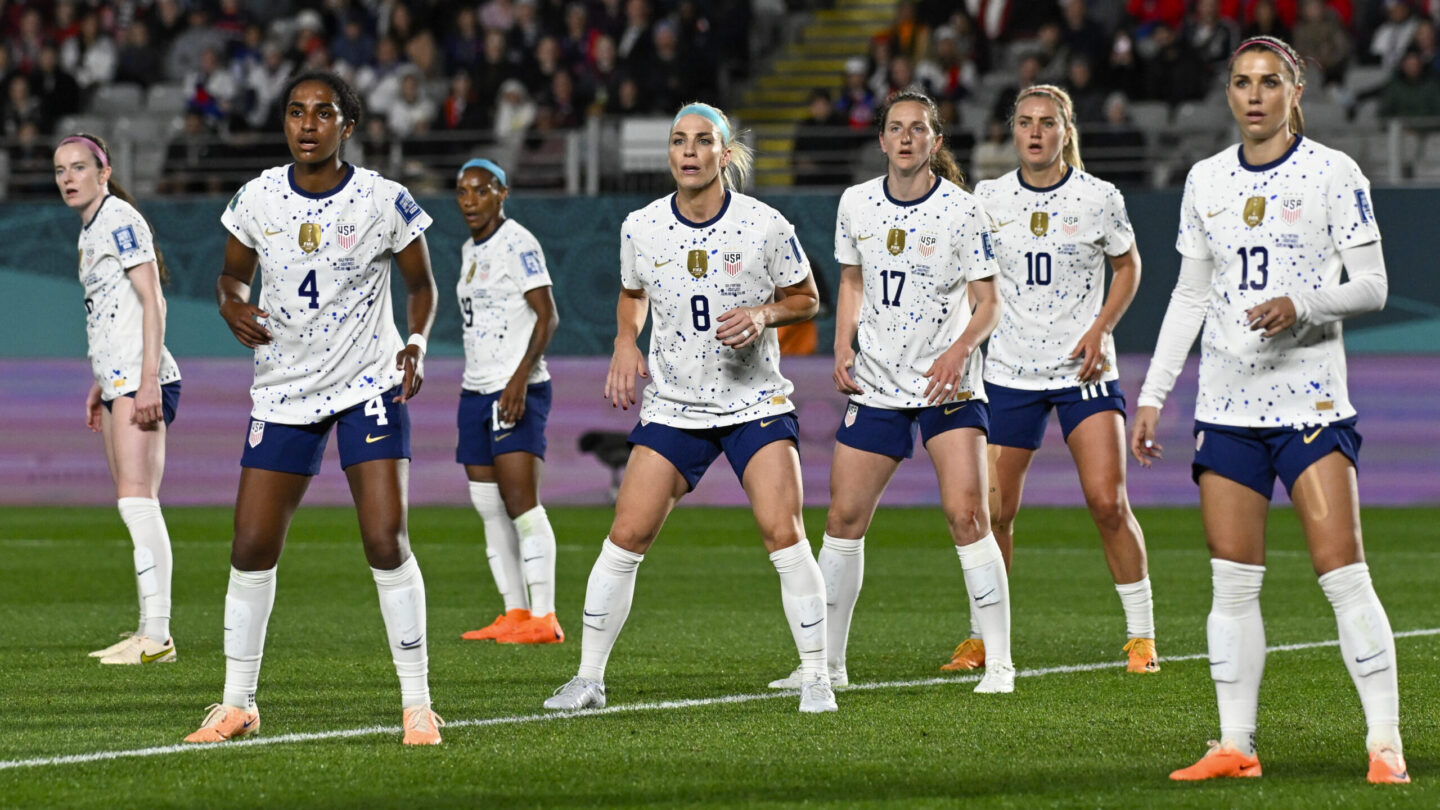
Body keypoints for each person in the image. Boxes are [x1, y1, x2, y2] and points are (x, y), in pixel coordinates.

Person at [1132, 37, 1408, 784]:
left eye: (1270, 82)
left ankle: (1385, 745)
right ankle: (1236, 746)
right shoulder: (1205, 179)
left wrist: (1303, 304)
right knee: (1232, 583)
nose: (1254, 95)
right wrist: (1154, 394)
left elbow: (1374, 285)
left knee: (1342, 574)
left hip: (1311, 401)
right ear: (1229, 93)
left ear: (1295, 92)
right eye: (1241, 82)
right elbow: (1189, 295)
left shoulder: (1332, 173)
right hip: (1226, 407)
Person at [543, 102, 835, 713]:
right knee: (624, 537)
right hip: (675, 405)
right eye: (679, 140)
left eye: (704, 141)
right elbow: (631, 297)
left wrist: (763, 314)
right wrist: (626, 340)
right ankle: (589, 678)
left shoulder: (765, 225)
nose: (690, 151)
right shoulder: (641, 226)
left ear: (725, 155)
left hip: (754, 402)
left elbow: (807, 299)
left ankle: (815, 677)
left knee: (784, 534)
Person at [183, 70, 444, 746]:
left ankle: (418, 705)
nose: (307, 124)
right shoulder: (258, 197)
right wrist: (230, 304)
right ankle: (237, 703)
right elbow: (231, 274)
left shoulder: (384, 200)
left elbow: (421, 285)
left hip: (367, 385)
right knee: (250, 546)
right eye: (296, 112)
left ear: (347, 125)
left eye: (323, 113)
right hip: (283, 388)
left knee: (385, 539)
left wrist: (415, 342)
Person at [769, 90, 1013, 695]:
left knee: (968, 515)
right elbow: (850, 280)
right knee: (843, 519)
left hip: (947, 385)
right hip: (877, 382)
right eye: (896, 129)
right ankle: (826, 665)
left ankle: (1001, 663)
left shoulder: (963, 210)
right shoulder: (856, 203)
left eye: (919, 129)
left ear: (935, 141)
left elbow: (989, 304)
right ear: (881, 141)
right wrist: (842, 344)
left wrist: (959, 350)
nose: (906, 138)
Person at [944, 84, 1156, 677]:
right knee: (994, 514)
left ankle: (1142, 637)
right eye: (1025, 122)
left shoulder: (1099, 198)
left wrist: (1101, 328)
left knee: (1107, 503)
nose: (1035, 132)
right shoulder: (987, 198)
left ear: (1067, 131)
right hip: (1009, 373)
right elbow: (971, 276)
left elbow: (1129, 267)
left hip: (1084, 370)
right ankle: (981, 639)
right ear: (1013, 131)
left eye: (1047, 123)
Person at [56, 132, 183, 666]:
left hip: (142, 379)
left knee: (138, 500)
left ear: (104, 172)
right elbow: (111, 313)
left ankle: (158, 636)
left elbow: (153, 300)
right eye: (60, 169)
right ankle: (146, 630)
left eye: (79, 167)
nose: (67, 177)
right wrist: (100, 381)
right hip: (119, 379)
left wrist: (146, 378)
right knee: (130, 501)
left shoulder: (120, 219)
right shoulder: (92, 229)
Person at [452, 158, 565, 645]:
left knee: (520, 502)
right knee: (488, 507)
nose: (470, 200)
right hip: (474, 389)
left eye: (482, 191)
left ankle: (545, 615)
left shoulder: (518, 242)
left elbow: (548, 317)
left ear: (502, 194)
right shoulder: (467, 249)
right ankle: (514, 612)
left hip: (514, 388)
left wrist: (518, 379)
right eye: (463, 192)